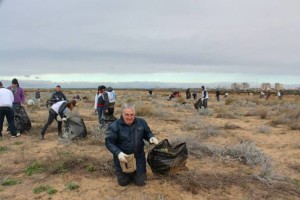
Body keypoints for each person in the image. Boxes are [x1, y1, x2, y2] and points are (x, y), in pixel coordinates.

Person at [105, 104, 159, 187]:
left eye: (131, 115)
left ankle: (137, 173)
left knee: (141, 183)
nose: (129, 117)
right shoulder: (115, 125)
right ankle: (128, 174)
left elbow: (147, 132)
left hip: (139, 157)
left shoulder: (141, 122)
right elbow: (109, 142)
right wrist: (119, 153)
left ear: (134, 114)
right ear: (122, 114)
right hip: (123, 159)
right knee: (123, 183)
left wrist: (151, 137)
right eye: (127, 114)